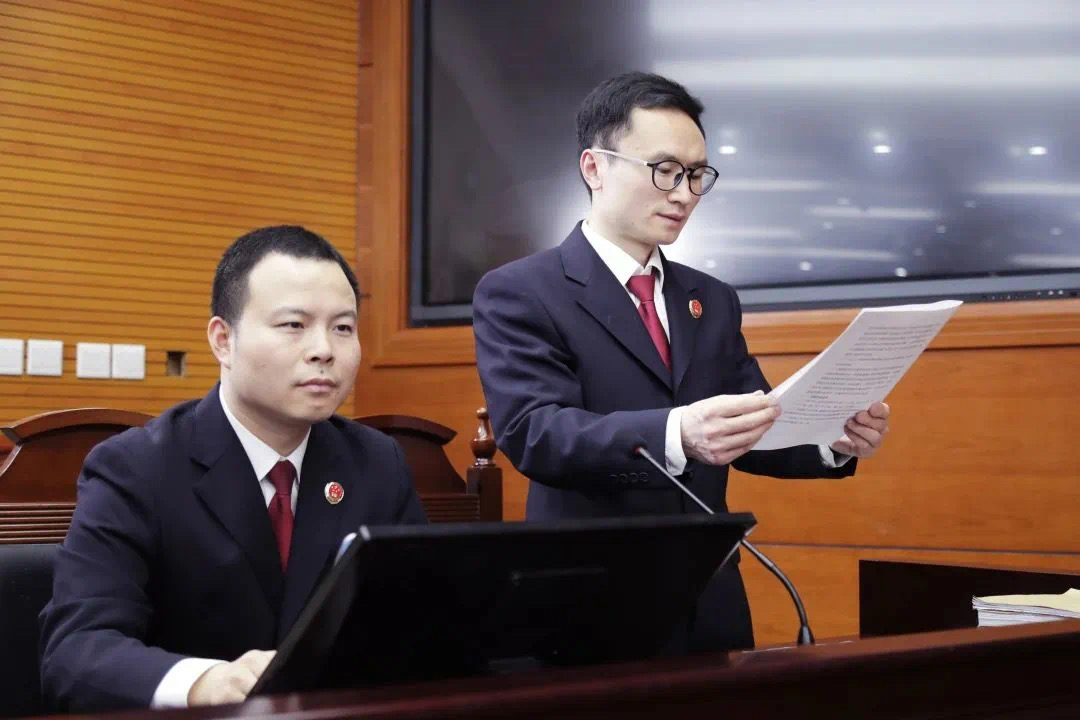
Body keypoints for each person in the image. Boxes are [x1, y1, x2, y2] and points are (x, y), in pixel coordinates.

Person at [472, 72, 890, 652]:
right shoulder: (522, 291)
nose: (684, 194)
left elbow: (752, 425)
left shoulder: (711, 299)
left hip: (708, 601)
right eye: (665, 170)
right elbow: (536, 432)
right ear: (594, 168)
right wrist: (677, 433)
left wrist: (830, 438)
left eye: (697, 175)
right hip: (587, 606)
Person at [39, 226, 426, 712]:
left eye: (343, 328)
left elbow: (425, 621)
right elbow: (76, 653)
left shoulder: (378, 462)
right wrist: (206, 683)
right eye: (294, 325)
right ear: (223, 340)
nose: (324, 349)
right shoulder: (135, 468)